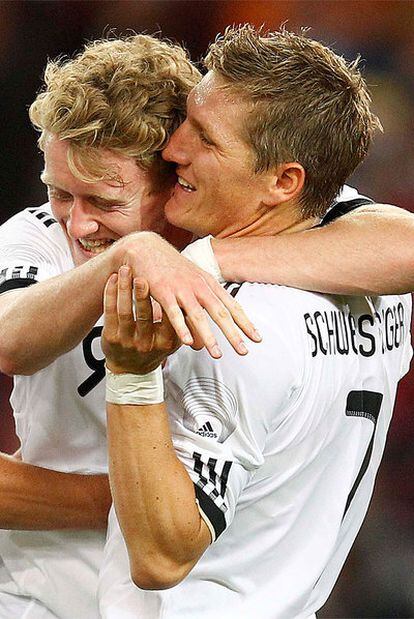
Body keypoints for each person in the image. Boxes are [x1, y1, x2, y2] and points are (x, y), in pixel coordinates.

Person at [0, 29, 413, 619]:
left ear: (175, 178)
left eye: (107, 203)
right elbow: (10, 339)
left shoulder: (253, 311)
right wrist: (129, 253)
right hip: (39, 598)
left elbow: (407, 245)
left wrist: (200, 263)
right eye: (60, 192)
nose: (79, 225)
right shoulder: (38, 235)